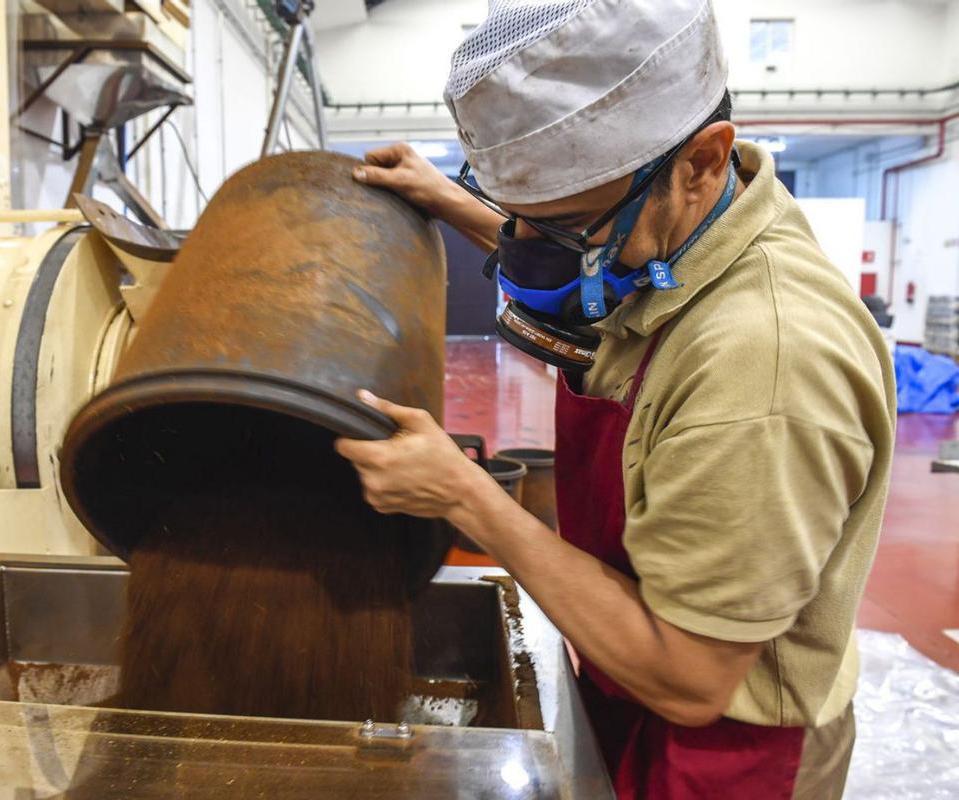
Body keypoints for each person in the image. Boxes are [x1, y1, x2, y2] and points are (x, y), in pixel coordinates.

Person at [334, 1, 896, 798]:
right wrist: (459, 203)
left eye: (563, 227)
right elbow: (598, 256)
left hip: (726, 748)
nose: (528, 246)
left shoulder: (766, 366)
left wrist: (467, 498)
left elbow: (692, 677)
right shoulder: (682, 233)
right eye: (518, 219)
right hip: (631, 672)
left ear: (702, 161)